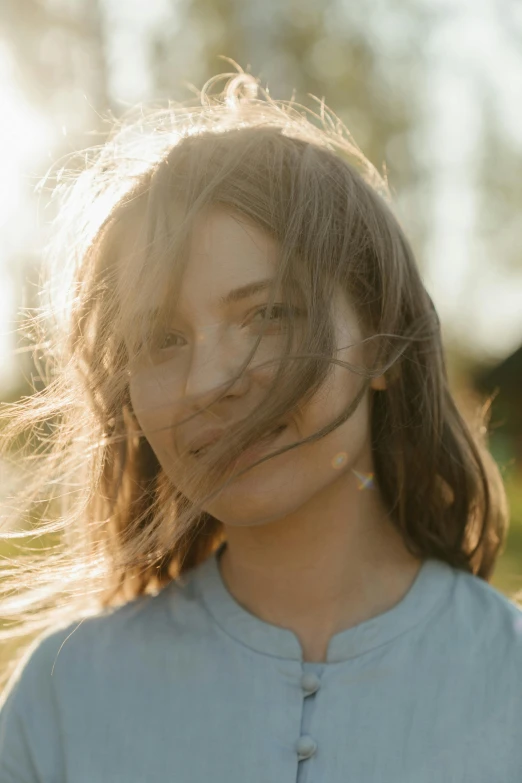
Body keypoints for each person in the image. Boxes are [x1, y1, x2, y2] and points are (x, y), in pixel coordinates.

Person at [0, 67, 521, 781]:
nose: (209, 382)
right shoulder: (61, 700)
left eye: (268, 315)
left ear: (380, 342)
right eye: (161, 339)